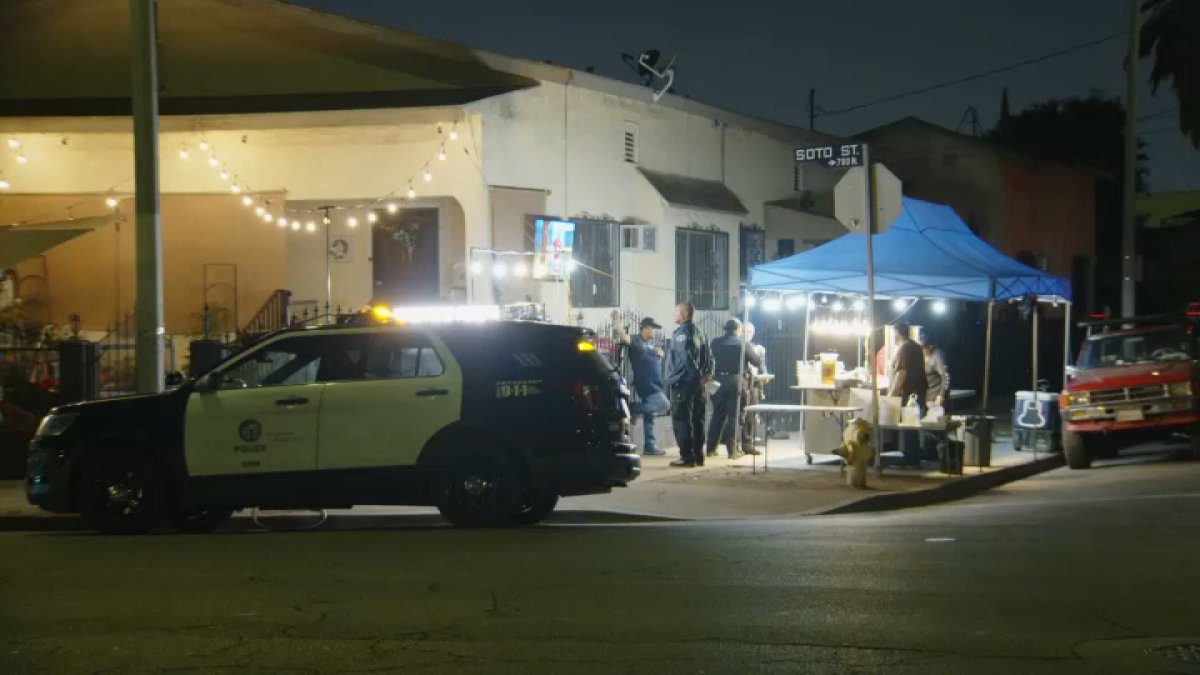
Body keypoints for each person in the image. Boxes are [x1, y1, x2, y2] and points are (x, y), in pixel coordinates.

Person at [612, 311, 668, 456]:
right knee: (664, 405)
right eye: (653, 328)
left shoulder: (649, 344)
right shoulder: (636, 340)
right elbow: (623, 336)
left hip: (655, 383)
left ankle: (650, 446)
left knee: (651, 415)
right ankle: (633, 409)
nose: (655, 331)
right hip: (647, 384)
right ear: (645, 328)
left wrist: (660, 353)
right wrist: (616, 320)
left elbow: (653, 359)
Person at [705, 318, 762, 459]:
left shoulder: (715, 342)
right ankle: (732, 451)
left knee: (717, 415)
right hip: (736, 381)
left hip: (718, 380)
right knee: (735, 416)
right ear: (738, 329)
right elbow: (756, 362)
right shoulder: (743, 344)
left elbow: (708, 358)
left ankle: (711, 449)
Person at [663, 302, 711, 467]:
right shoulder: (700, 333)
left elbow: (685, 358)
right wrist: (705, 375)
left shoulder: (680, 334)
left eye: (676, 311)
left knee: (681, 419)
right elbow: (708, 357)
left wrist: (694, 376)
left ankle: (686, 456)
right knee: (697, 418)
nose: (674, 315)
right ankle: (698, 455)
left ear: (683, 313)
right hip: (698, 383)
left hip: (683, 382)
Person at [888, 322, 928, 468]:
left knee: (908, 425)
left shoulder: (904, 349)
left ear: (898, 332)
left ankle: (911, 458)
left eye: (894, 333)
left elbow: (902, 373)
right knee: (912, 426)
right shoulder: (916, 346)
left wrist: (891, 395)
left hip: (910, 394)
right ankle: (914, 456)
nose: (893, 336)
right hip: (920, 392)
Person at [740, 321, 767, 455]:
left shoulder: (755, 347)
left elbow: (761, 366)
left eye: (750, 332)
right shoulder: (739, 345)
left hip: (753, 384)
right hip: (742, 384)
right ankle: (737, 443)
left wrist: (761, 355)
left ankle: (747, 443)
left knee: (751, 415)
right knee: (739, 415)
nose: (747, 335)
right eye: (745, 331)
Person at [923, 340, 950, 410]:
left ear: (930, 347)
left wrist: (941, 395)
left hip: (935, 398)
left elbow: (945, 377)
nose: (922, 351)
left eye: (923, 348)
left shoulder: (937, 357)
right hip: (926, 396)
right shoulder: (924, 357)